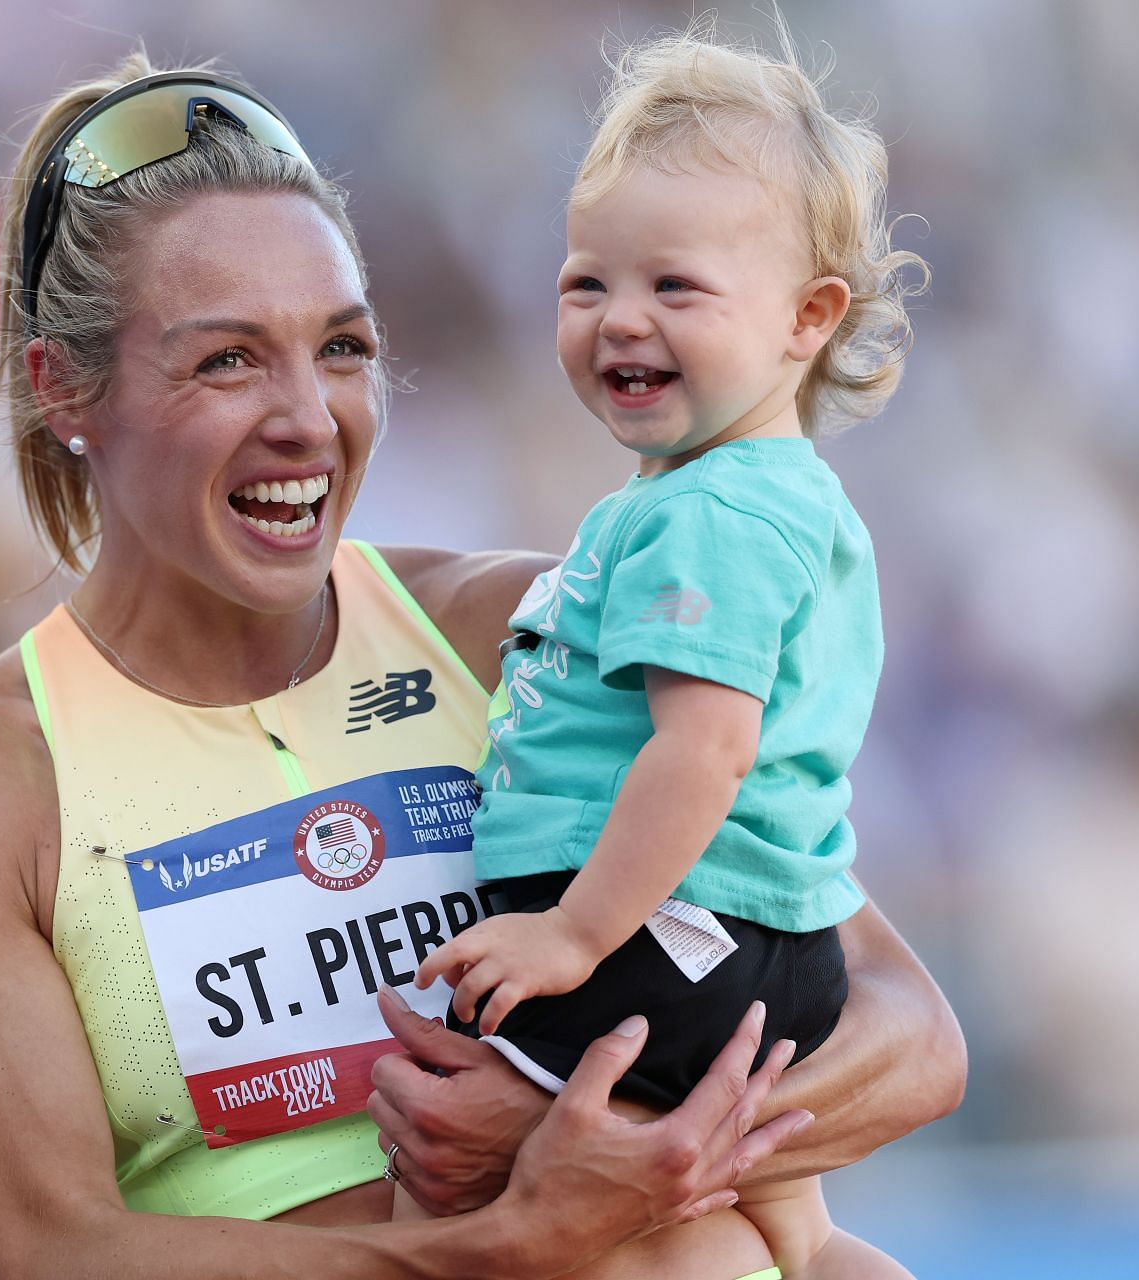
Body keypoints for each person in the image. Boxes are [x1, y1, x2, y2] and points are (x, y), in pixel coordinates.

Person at [0, 50, 965, 1279]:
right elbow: (52, 1250)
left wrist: (588, 1126)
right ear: (65, 386)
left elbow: (908, 1033)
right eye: (227, 359)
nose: (309, 419)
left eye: (341, 348)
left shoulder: (517, 627)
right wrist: (504, 1236)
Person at [404, 28, 931, 1277]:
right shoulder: (761, 495)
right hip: (763, 945)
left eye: (674, 288)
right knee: (796, 1236)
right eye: (587, 284)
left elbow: (706, 750)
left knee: (444, 1175)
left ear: (808, 319)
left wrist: (573, 936)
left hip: (658, 938)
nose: (619, 318)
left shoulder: (711, 515)